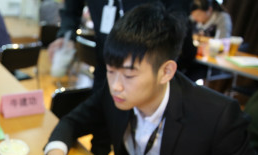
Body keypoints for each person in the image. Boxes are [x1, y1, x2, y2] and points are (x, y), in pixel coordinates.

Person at [36, 2, 258, 155]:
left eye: (129, 75)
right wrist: (55, 154)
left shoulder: (216, 113)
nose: (116, 85)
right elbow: (72, 121)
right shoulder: (114, 94)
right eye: (110, 71)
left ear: (166, 72)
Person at [48, 0, 194, 90]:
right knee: (102, 124)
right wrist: (66, 34)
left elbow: (178, 17)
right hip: (105, 64)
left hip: (145, 69)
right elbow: (71, 8)